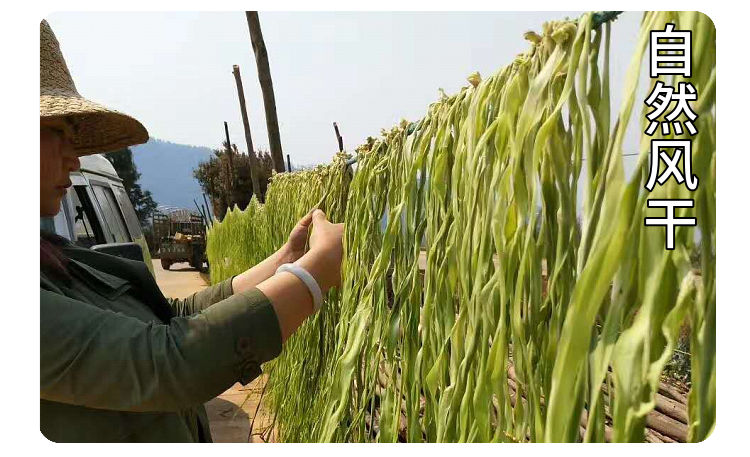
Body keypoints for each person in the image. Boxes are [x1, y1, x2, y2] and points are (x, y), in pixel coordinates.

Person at [39, 19, 344, 442]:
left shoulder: (51, 255)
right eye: (60, 135)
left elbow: (171, 317)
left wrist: (285, 261)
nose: (74, 161)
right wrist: (315, 274)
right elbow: (164, 362)